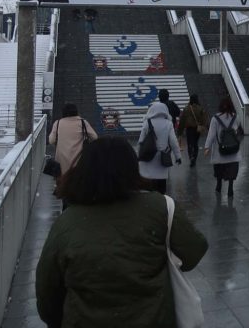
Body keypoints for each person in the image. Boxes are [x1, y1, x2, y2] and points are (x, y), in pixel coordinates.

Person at [36, 137, 208, 328]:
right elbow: (194, 252)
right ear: (131, 168)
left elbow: (47, 296)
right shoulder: (159, 207)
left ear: (84, 171)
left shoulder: (66, 223)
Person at [138, 101, 182, 194]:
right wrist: (178, 156)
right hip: (162, 158)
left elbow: (141, 141)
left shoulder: (147, 122)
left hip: (149, 156)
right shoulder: (168, 123)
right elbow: (173, 141)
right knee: (162, 184)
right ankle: (162, 201)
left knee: (150, 182)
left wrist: (139, 154)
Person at [204, 96, 244, 197]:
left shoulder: (215, 119)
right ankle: (230, 187)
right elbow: (237, 131)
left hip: (220, 150)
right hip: (233, 149)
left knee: (219, 169)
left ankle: (219, 184)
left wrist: (207, 147)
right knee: (232, 169)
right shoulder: (236, 117)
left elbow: (211, 134)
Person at [48, 102, 97, 182]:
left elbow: (51, 140)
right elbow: (95, 137)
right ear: (76, 111)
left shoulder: (58, 123)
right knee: (78, 182)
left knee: (62, 183)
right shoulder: (83, 122)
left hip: (61, 162)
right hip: (79, 160)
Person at [179, 94, 207, 167]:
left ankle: (191, 156)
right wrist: (203, 127)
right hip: (197, 129)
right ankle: (194, 158)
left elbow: (182, 120)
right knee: (195, 144)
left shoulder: (186, 108)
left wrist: (180, 131)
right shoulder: (200, 108)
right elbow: (204, 119)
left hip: (189, 129)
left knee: (190, 143)